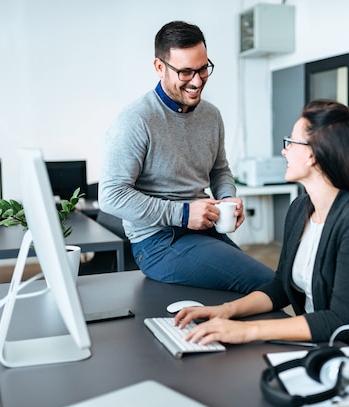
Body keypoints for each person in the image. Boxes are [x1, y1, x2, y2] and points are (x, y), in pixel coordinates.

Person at [176, 99, 349, 373]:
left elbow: (340, 320)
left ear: (312, 154)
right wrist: (226, 310)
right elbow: (280, 287)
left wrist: (246, 331)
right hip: (320, 349)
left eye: (291, 142)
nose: (284, 151)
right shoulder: (300, 209)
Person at [98, 21, 274, 294]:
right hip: (156, 242)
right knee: (268, 284)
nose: (197, 80)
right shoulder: (135, 121)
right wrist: (181, 214)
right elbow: (111, 196)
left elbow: (220, 170)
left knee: (270, 285)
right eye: (186, 72)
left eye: (203, 68)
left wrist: (227, 197)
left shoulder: (211, 115)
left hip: (204, 231)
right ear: (160, 67)